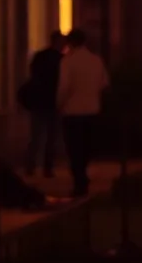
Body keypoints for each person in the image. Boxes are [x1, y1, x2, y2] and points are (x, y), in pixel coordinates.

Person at [56, 29, 109, 197]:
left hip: (72, 111)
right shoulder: (96, 60)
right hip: (92, 109)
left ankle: (79, 181)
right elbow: (104, 83)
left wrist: (59, 104)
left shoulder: (68, 61)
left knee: (74, 148)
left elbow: (64, 87)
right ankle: (83, 176)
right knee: (86, 147)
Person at [20, 30, 67, 177]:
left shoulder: (40, 57)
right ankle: (47, 168)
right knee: (50, 138)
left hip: (38, 101)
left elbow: (33, 74)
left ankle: (31, 166)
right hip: (52, 102)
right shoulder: (62, 60)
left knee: (36, 136)